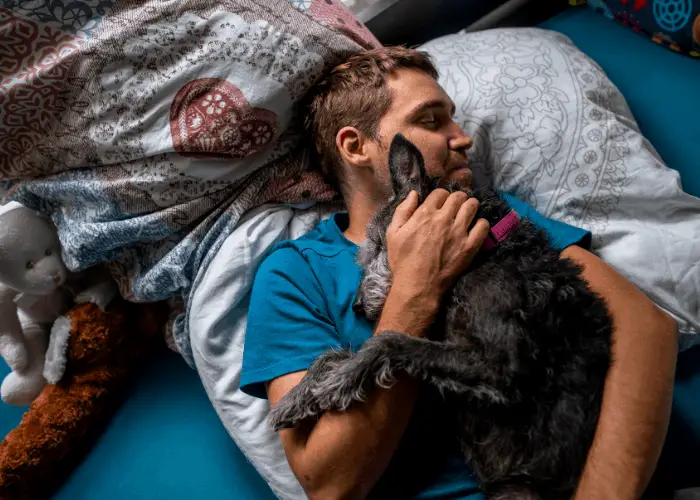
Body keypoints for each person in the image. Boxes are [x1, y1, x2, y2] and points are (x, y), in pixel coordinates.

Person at [240, 47, 677, 500]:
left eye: (455, 118)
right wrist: (416, 288)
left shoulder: (488, 215)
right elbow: (329, 485)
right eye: (431, 121)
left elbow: (646, 328)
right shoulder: (294, 274)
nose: (462, 137)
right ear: (356, 146)